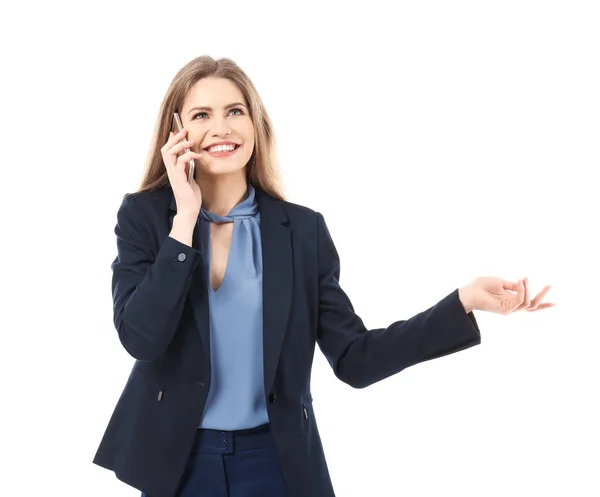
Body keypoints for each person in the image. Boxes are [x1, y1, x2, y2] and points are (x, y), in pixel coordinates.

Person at [92, 55, 555, 497]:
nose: (221, 128)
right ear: (176, 130)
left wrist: (462, 302)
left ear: (256, 124)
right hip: (177, 465)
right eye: (200, 115)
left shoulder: (302, 231)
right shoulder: (147, 218)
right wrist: (184, 222)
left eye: (235, 111)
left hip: (275, 463)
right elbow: (140, 339)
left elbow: (355, 358)